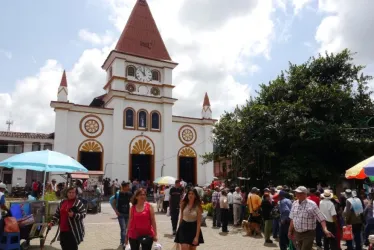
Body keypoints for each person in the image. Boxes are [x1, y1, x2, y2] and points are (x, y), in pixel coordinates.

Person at [110, 182, 132, 249]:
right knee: (123, 229)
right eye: (128, 186)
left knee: (128, 229)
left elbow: (133, 202)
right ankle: (123, 242)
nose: (129, 187)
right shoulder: (118, 194)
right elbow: (113, 203)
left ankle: (127, 241)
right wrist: (116, 211)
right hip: (121, 214)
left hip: (128, 214)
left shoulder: (129, 194)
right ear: (124, 187)